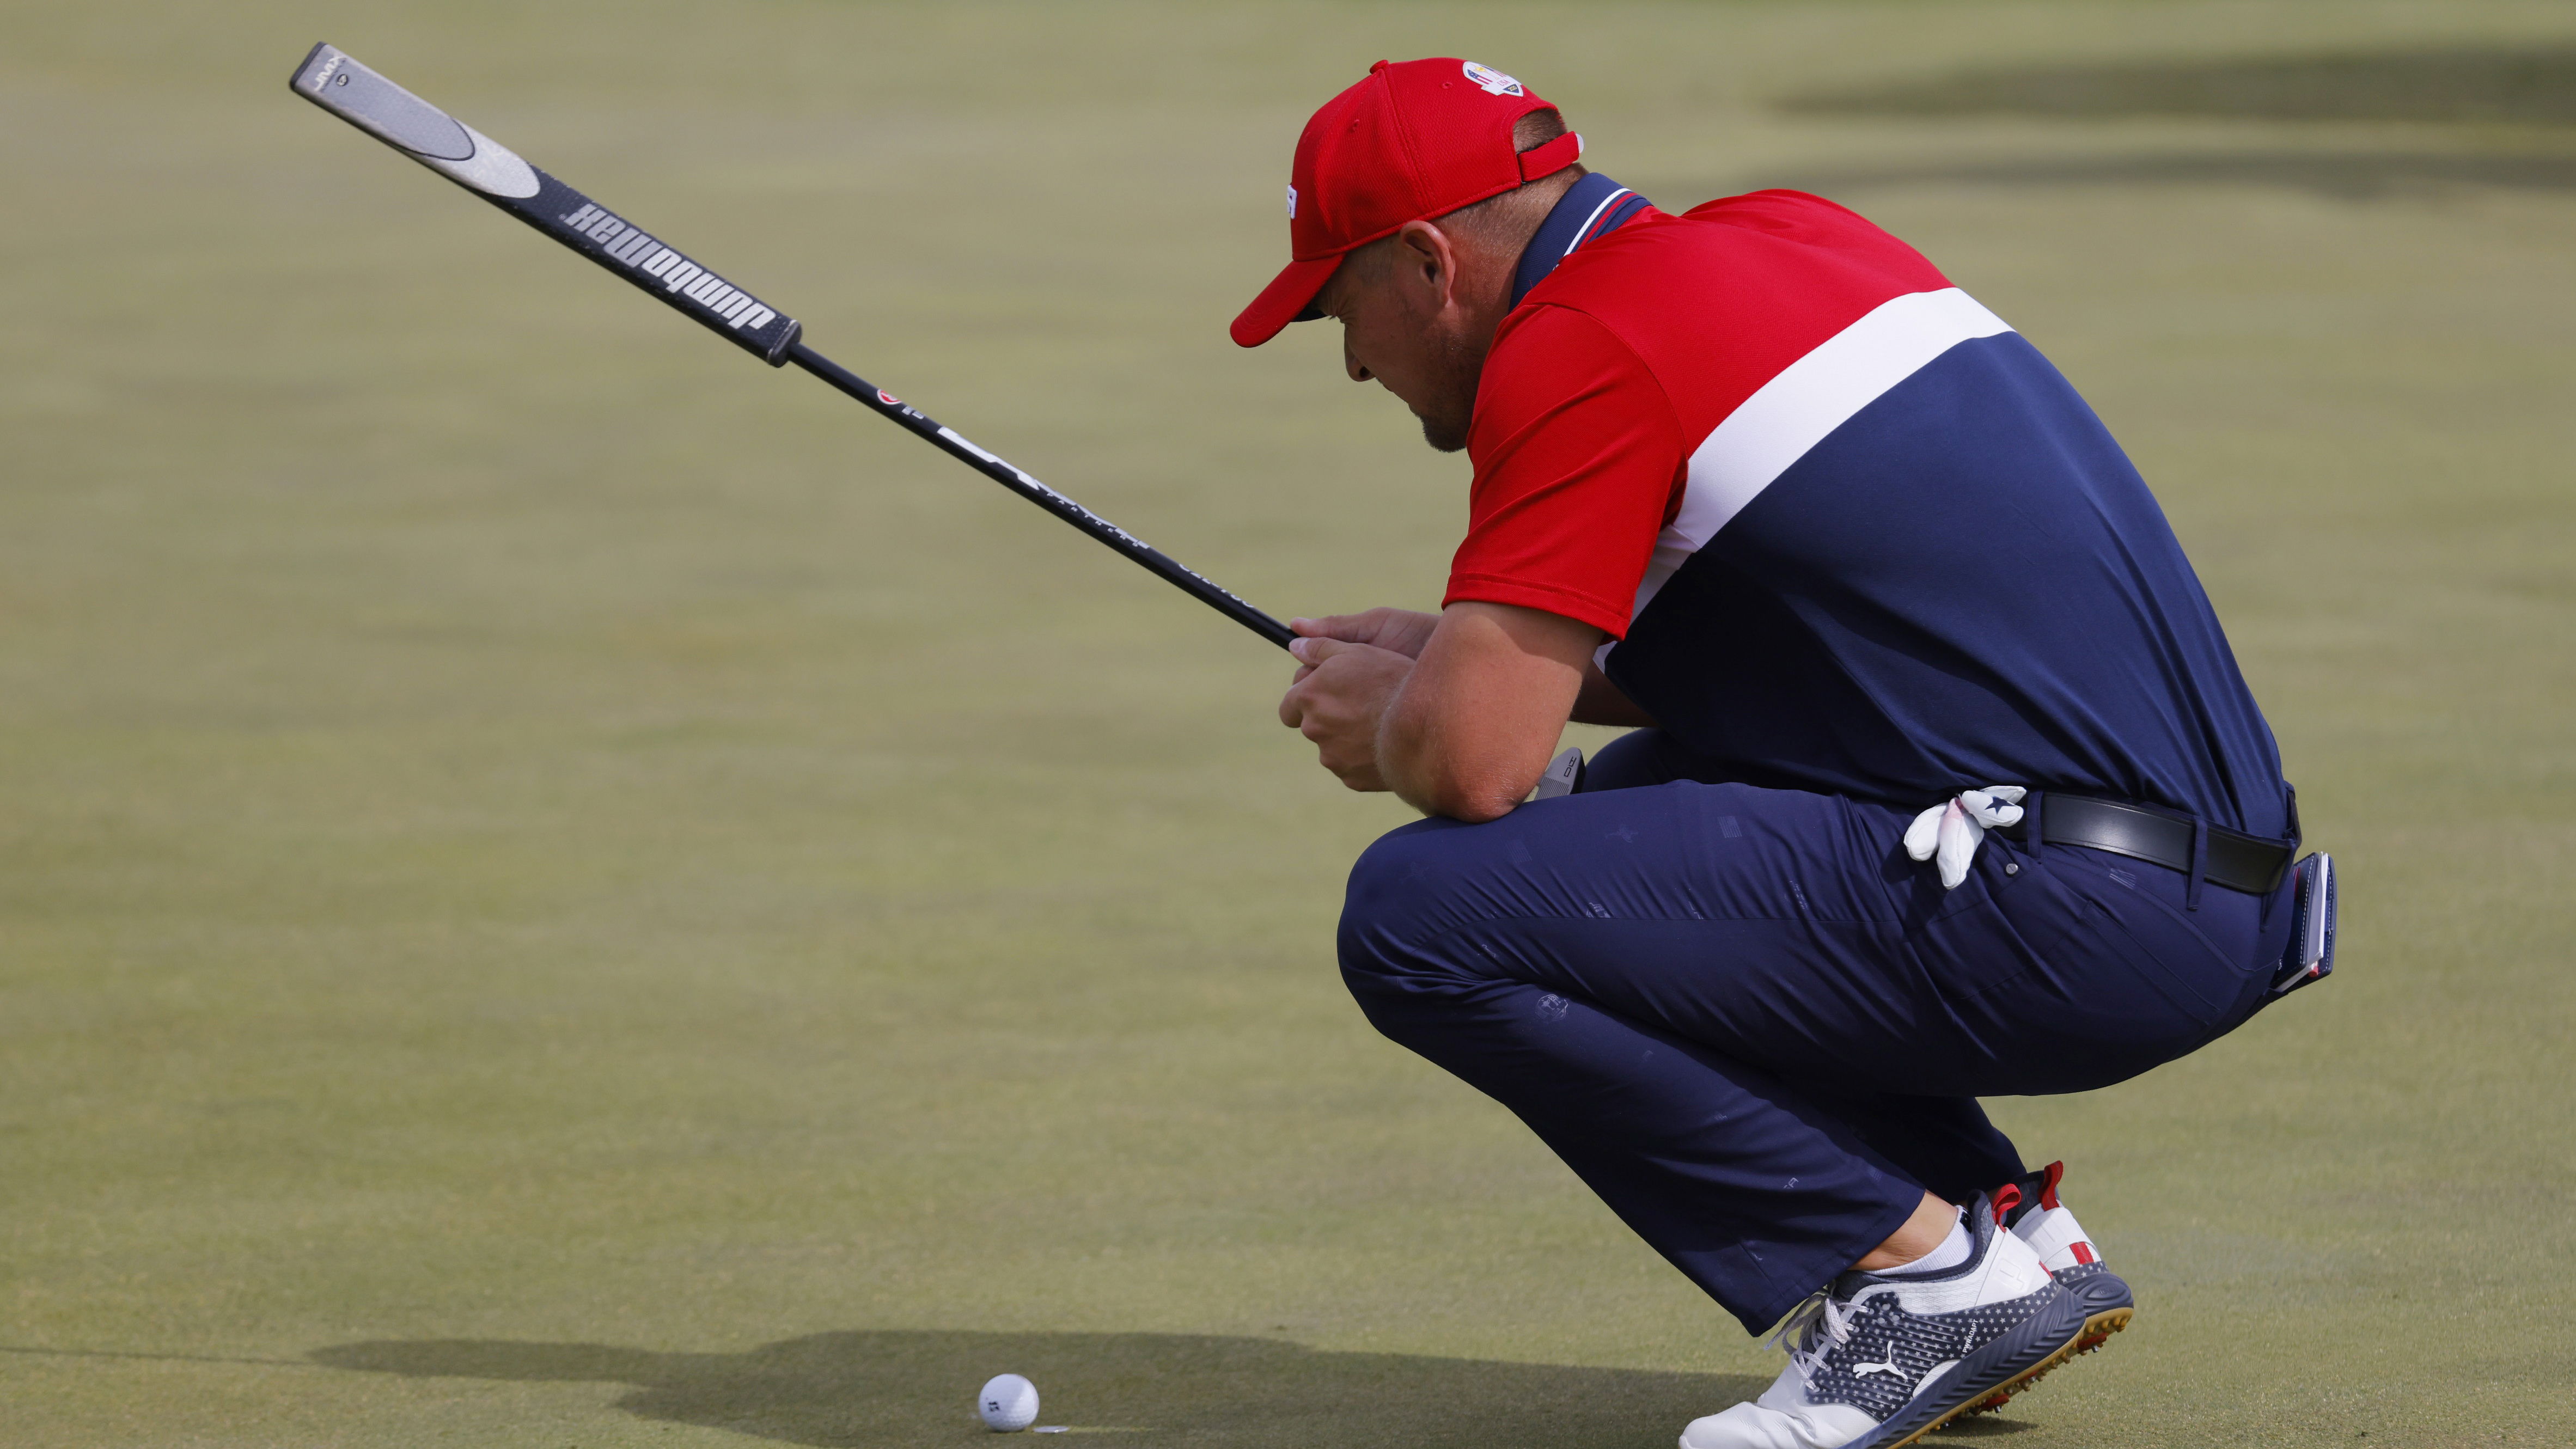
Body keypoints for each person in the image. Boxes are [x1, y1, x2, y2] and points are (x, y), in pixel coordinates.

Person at [1233, 58, 2318, 1449]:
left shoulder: (1577, 341)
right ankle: (1998, 1232)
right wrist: (1443, 656)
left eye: (1342, 307)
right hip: (2189, 884)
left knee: (1420, 914)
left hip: (2082, 911)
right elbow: (1823, 644)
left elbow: (1471, 772)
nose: (1347, 358)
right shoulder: (1786, 239)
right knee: (1615, 812)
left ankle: (1917, 1275)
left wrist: (1399, 719)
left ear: (1427, 262)